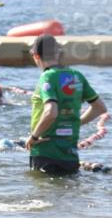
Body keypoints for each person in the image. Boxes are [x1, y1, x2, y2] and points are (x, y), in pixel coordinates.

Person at [24, 34, 106, 175]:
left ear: (36, 56)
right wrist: (75, 122)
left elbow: (51, 112)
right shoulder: (77, 76)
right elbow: (100, 108)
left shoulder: (47, 76)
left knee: (44, 193)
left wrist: (34, 137)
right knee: (68, 192)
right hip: (70, 153)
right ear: (57, 53)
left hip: (45, 151)